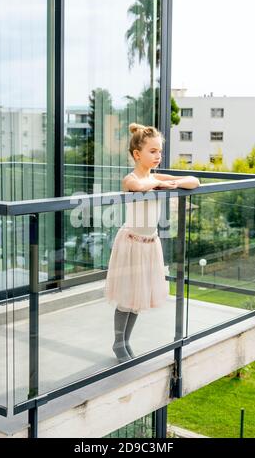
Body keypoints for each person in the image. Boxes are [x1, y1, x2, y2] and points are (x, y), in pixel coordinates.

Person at [104, 123, 200, 362]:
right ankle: (119, 342)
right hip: (131, 244)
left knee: (137, 300)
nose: (158, 156)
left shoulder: (156, 176)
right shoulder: (132, 178)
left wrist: (172, 182)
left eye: (160, 151)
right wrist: (158, 183)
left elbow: (194, 180)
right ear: (137, 154)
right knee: (127, 297)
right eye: (153, 151)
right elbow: (137, 186)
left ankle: (125, 341)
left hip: (150, 244)